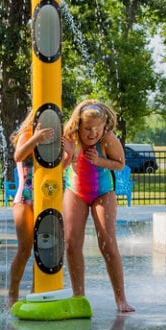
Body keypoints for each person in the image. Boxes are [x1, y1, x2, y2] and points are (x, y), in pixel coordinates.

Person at [62, 99, 134, 313]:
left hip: (103, 192)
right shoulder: (71, 138)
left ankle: (121, 299)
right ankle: (79, 296)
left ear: (104, 127)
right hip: (75, 190)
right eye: (87, 128)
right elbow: (60, 168)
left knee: (108, 243)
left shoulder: (108, 140)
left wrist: (100, 161)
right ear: (78, 125)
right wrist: (68, 154)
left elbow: (120, 163)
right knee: (71, 243)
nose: (92, 133)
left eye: (97, 129)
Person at [8, 111, 56, 306]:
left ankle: (37, 290)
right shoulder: (27, 134)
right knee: (25, 248)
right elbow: (18, 155)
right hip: (24, 198)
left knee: (43, 248)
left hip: (46, 197)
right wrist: (36, 138)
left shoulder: (53, 135)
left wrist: (68, 152)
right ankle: (13, 293)